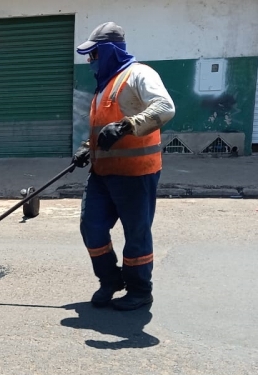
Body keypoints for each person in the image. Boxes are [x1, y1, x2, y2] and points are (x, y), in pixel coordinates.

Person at [71, 22, 175, 310]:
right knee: (91, 227)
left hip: (135, 174)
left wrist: (129, 125)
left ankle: (140, 290)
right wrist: (86, 148)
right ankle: (110, 280)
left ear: (108, 52)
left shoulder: (139, 75)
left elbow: (165, 108)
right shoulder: (104, 87)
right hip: (102, 174)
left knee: (136, 233)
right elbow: (103, 130)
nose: (91, 62)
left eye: (94, 55)